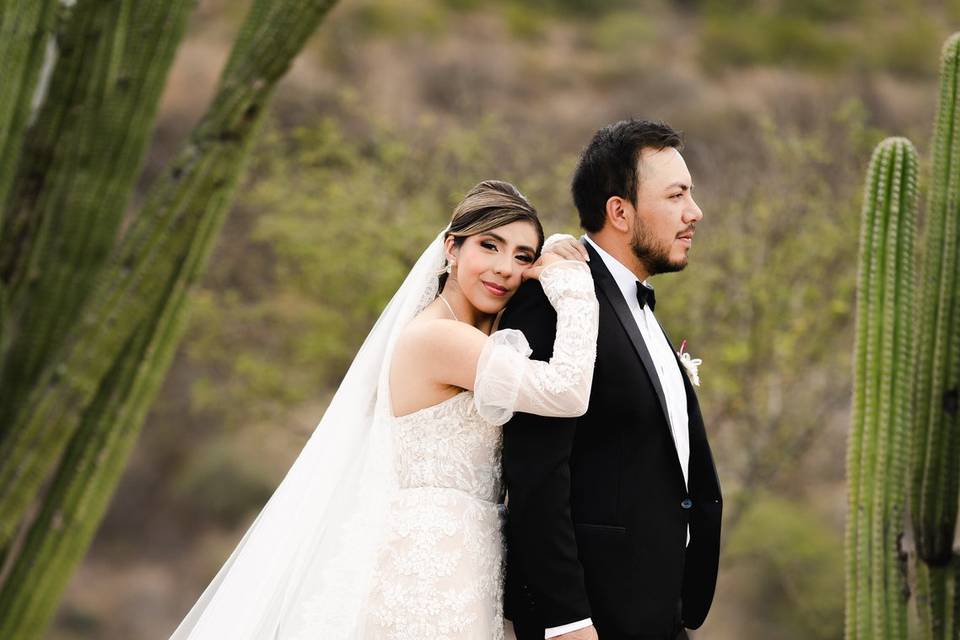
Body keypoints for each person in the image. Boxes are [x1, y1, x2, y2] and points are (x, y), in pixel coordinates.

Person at [168, 179, 599, 640]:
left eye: (522, 257)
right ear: (451, 249)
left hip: (469, 565)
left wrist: (553, 248)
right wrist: (572, 283)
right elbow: (567, 391)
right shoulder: (439, 338)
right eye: (489, 246)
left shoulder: (471, 335)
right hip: (427, 571)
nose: (504, 269)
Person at [500, 120, 723, 640]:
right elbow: (536, 476)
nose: (695, 212)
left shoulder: (638, 305)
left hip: (662, 610)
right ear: (619, 211)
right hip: (592, 621)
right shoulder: (555, 299)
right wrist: (565, 621)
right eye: (676, 195)